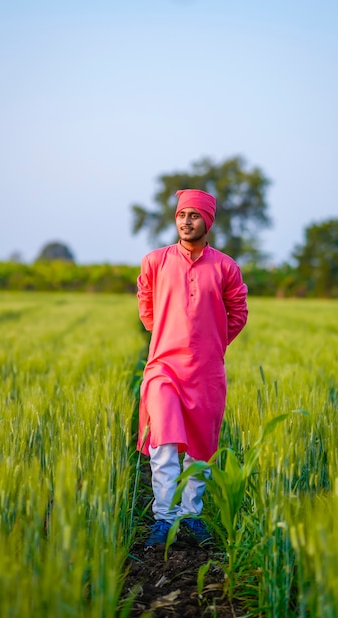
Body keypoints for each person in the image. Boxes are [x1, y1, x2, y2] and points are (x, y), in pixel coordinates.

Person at [136, 188, 248, 549]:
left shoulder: (225, 267)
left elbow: (238, 312)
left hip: (206, 371)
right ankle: (164, 519)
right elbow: (146, 306)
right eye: (182, 214)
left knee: (200, 449)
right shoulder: (155, 261)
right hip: (163, 367)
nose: (186, 221)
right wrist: (169, 334)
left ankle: (191, 515)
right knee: (164, 443)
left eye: (194, 215)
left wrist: (210, 344)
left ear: (207, 221)